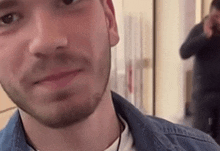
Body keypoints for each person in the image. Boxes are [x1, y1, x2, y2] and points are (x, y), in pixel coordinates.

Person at [0, 0, 219, 150]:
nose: (47, 41)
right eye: (7, 18)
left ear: (110, 20)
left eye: (69, 0)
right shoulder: (201, 30)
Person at [180, 0, 220, 144]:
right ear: (211, 14)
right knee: (198, 138)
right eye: (216, 17)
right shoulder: (200, 29)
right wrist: (205, 36)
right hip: (202, 93)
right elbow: (184, 52)